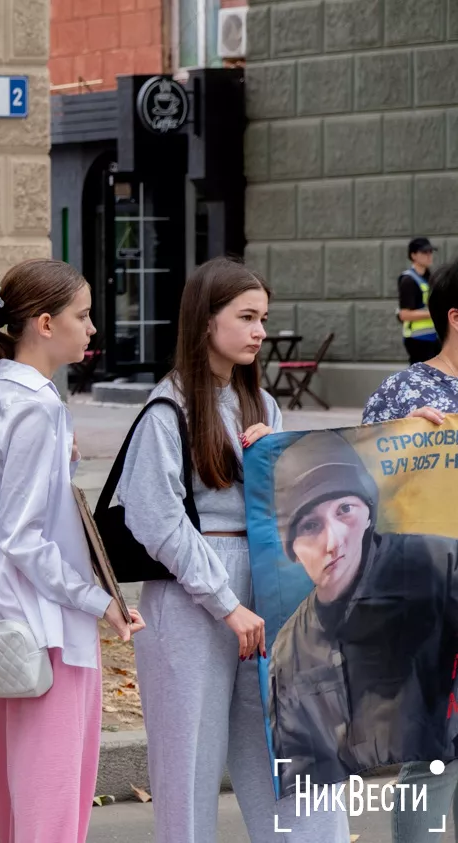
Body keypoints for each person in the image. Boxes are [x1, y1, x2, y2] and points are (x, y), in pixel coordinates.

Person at [116, 256, 349, 841]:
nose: (259, 332)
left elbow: (304, 500)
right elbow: (157, 520)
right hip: (191, 593)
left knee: (288, 742)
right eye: (246, 317)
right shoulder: (166, 410)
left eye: (263, 318)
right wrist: (225, 602)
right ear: (204, 322)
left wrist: (281, 454)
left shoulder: (262, 406)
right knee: (188, 761)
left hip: (267, 583)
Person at [0, 259, 144, 843]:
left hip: (3, 629)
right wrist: (98, 601)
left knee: (20, 811)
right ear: (43, 323)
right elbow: (25, 538)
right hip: (49, 632)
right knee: (53, 818)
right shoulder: (36, 406)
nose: (91, 328)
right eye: (82, 315)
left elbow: (3, 526)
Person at [268, 431, 458, 786]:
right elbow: (302, 772)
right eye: (310, 525)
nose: (333, 540)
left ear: (369, 513)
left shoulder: (440, 565)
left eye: (345, 510)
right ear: (292, 548)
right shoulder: (290, 652)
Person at [364, 258, 458, 841]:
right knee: (434, 752)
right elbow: (359, 489)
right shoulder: (407, 391)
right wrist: (404, 442)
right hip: (432, 598)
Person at [398, 237, 440, 365]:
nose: (429, 256)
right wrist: (434, 312)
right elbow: (404, 314)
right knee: (421, 381)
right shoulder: (408, 280)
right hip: (417, 340)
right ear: (413, 255)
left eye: (430, 252)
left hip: (433, 338)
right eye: (424, 252)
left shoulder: (430, 277)